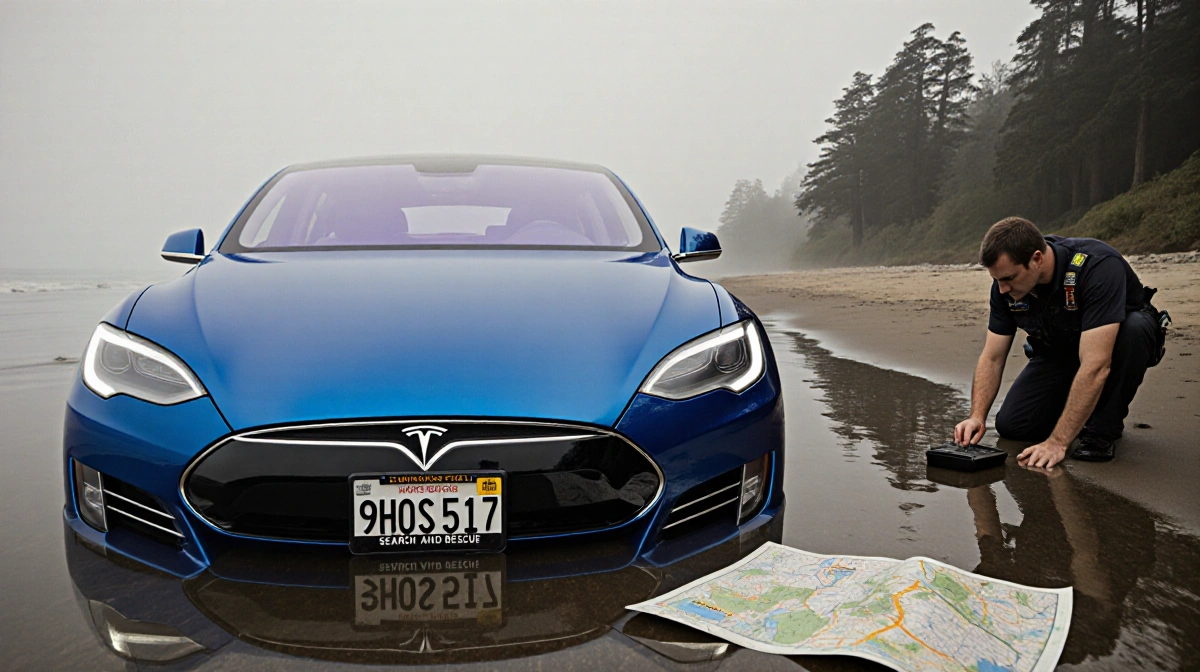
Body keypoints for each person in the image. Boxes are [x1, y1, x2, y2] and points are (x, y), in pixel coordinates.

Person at [954, 217, 1163, 466]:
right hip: (1060, 348)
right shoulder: (1004, 287)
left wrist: (1058, 442)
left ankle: (1100, 430)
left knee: (1134, 329)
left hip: (1114, 346)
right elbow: (993, 357)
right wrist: (977, 416)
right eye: (996, 280)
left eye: (1008, 278)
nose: (1002, 289)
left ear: (1037, 259)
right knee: (1013, 426)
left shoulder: (1098, 266)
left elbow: (1097, 365)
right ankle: (1077, 409)